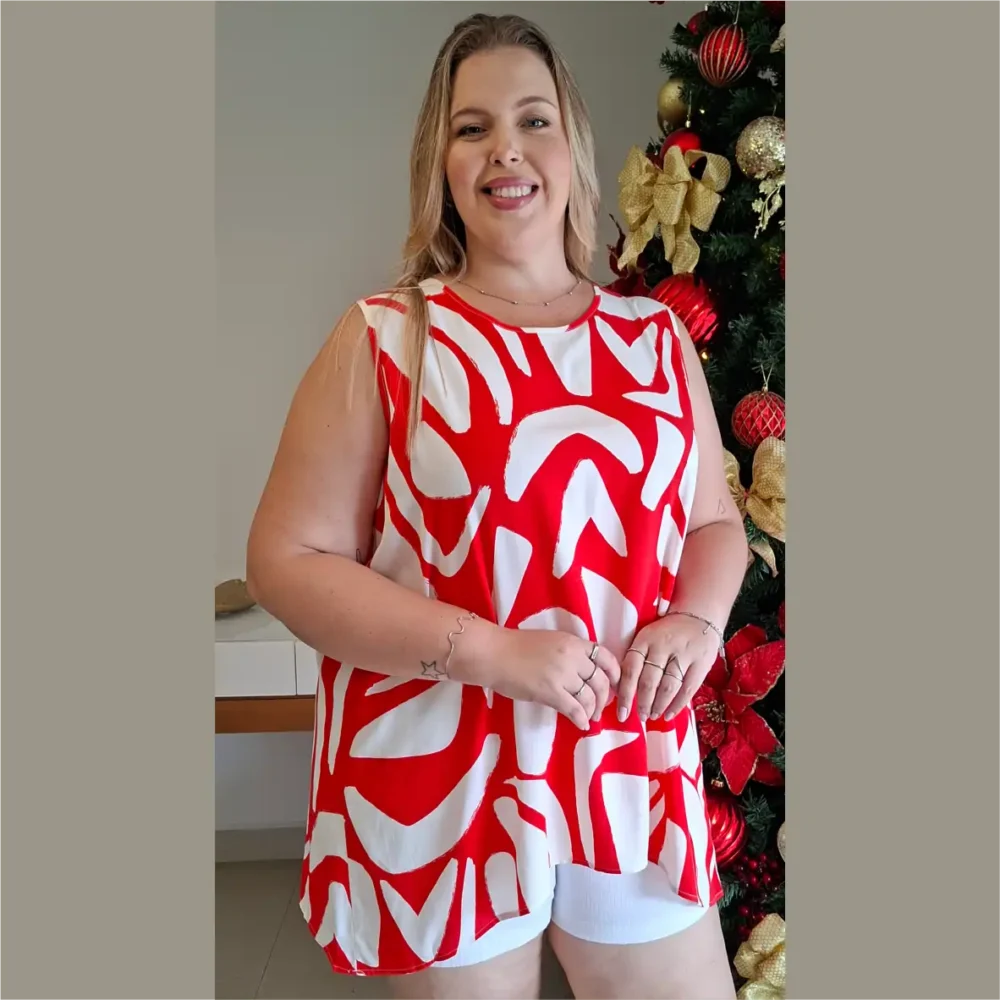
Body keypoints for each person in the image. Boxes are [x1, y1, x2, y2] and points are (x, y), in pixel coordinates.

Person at [246, 12, 748, 1000]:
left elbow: (713, 522)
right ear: (439, 163)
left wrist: (697, 619)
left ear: (572, 146)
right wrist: (491, 652)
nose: (505, 149)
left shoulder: (654, 339)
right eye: (471, 128)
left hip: (624, 758)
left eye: (533, 119)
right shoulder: (388, 336)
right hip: (442, 771)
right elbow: (286, 560)